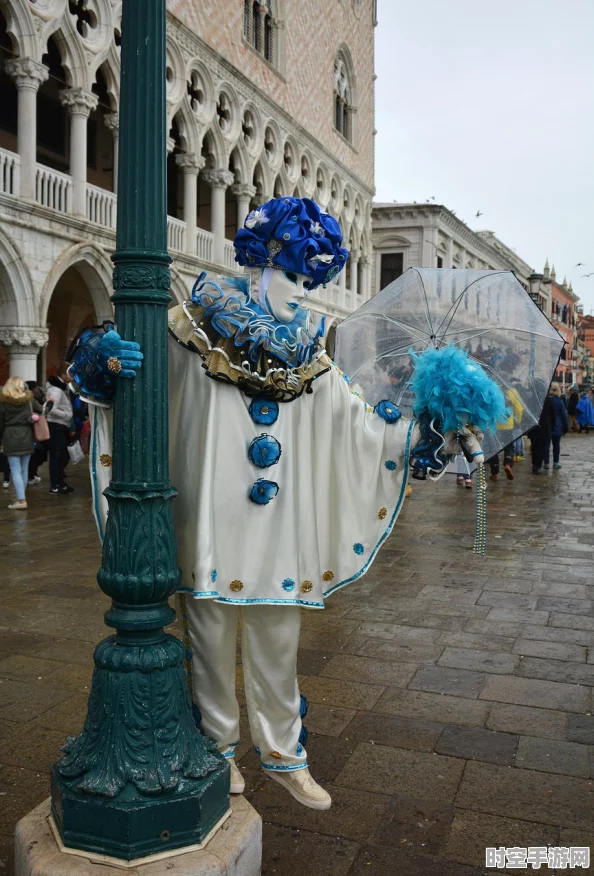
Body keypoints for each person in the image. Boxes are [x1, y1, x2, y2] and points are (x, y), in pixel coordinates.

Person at [68, 197, 502, 811]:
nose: (303, 293)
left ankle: (283, 757)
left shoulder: (309, 356)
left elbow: (357, 428)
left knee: (278, 641)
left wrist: (423, 427)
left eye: (312, 280)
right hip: (206, 520)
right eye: (295, 276)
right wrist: (106, 363)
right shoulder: (189, 329)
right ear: (261, 263)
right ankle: (216, 749)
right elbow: (131, 393)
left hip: (278, 526)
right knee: (209, 640)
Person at [0, 376, 43, 509]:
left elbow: (1, 422)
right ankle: (21, 497)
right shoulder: (29, 399)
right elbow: (40, 411)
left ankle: (22, 500)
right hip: (27, 435)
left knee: (15, 469)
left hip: (10, 435)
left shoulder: (3, 401)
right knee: (24, 469)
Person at [45, 370, 74, 494]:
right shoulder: (56, 390)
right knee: (56, 456)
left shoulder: (60, 388)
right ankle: (55, 485)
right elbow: (50, 409)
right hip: (57, 426)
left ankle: (60, 483)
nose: (71, 378)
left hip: (60, 425)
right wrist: (67, 415)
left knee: (61, 455)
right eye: (69, 374)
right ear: (63, 375)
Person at [528, 392, 556, 474]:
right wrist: (552, 426)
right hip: (544, 428)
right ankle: (538, 465)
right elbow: (553, 414)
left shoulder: (531, 399)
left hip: (534, 427)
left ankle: (534, 465)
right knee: (541, 448)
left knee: (534, 447)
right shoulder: (548, 400)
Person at [544, 383, 568, 469]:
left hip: (547, 425)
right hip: (557, 426)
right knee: (556, 445)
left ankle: (546, 462)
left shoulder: (546, 400)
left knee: (546, 445)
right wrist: (566, 427)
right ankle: (556, 462)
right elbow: (564, 415)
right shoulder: (559, 401)